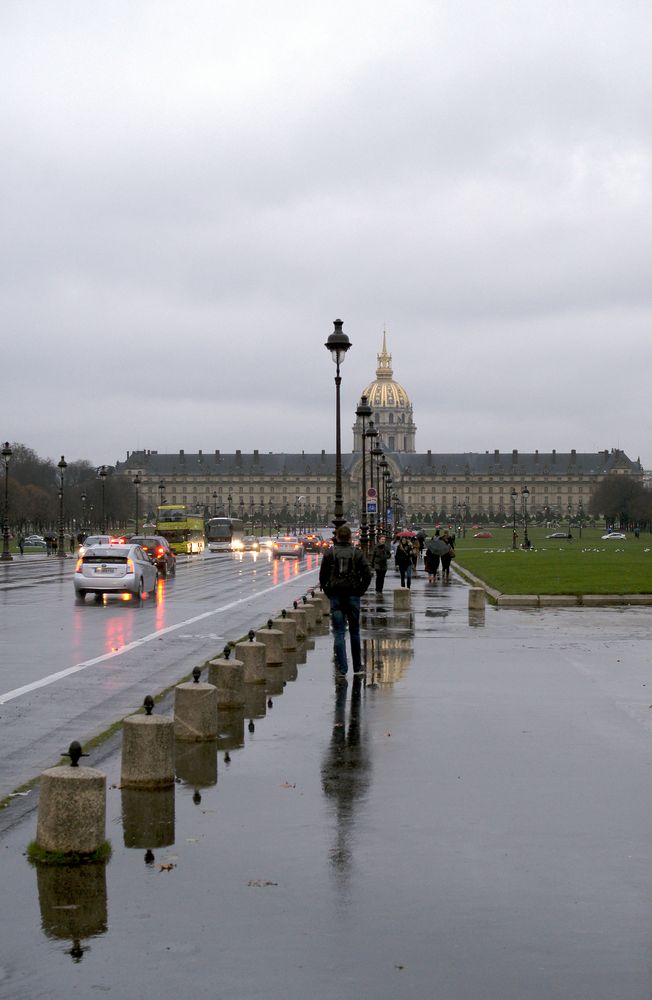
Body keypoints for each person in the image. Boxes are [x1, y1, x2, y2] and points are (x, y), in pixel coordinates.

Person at [319, 524, 372, 684]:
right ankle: (357, 667)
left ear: (337, 538)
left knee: (339, 633)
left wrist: (329, 592)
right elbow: (368, 574)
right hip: (353, 595)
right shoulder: (357, 553)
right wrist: (360, 590)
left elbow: (322, 578)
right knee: (355, 632)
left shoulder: (330, 553)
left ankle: (342, 669)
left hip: (336, 595)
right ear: (350, 537)